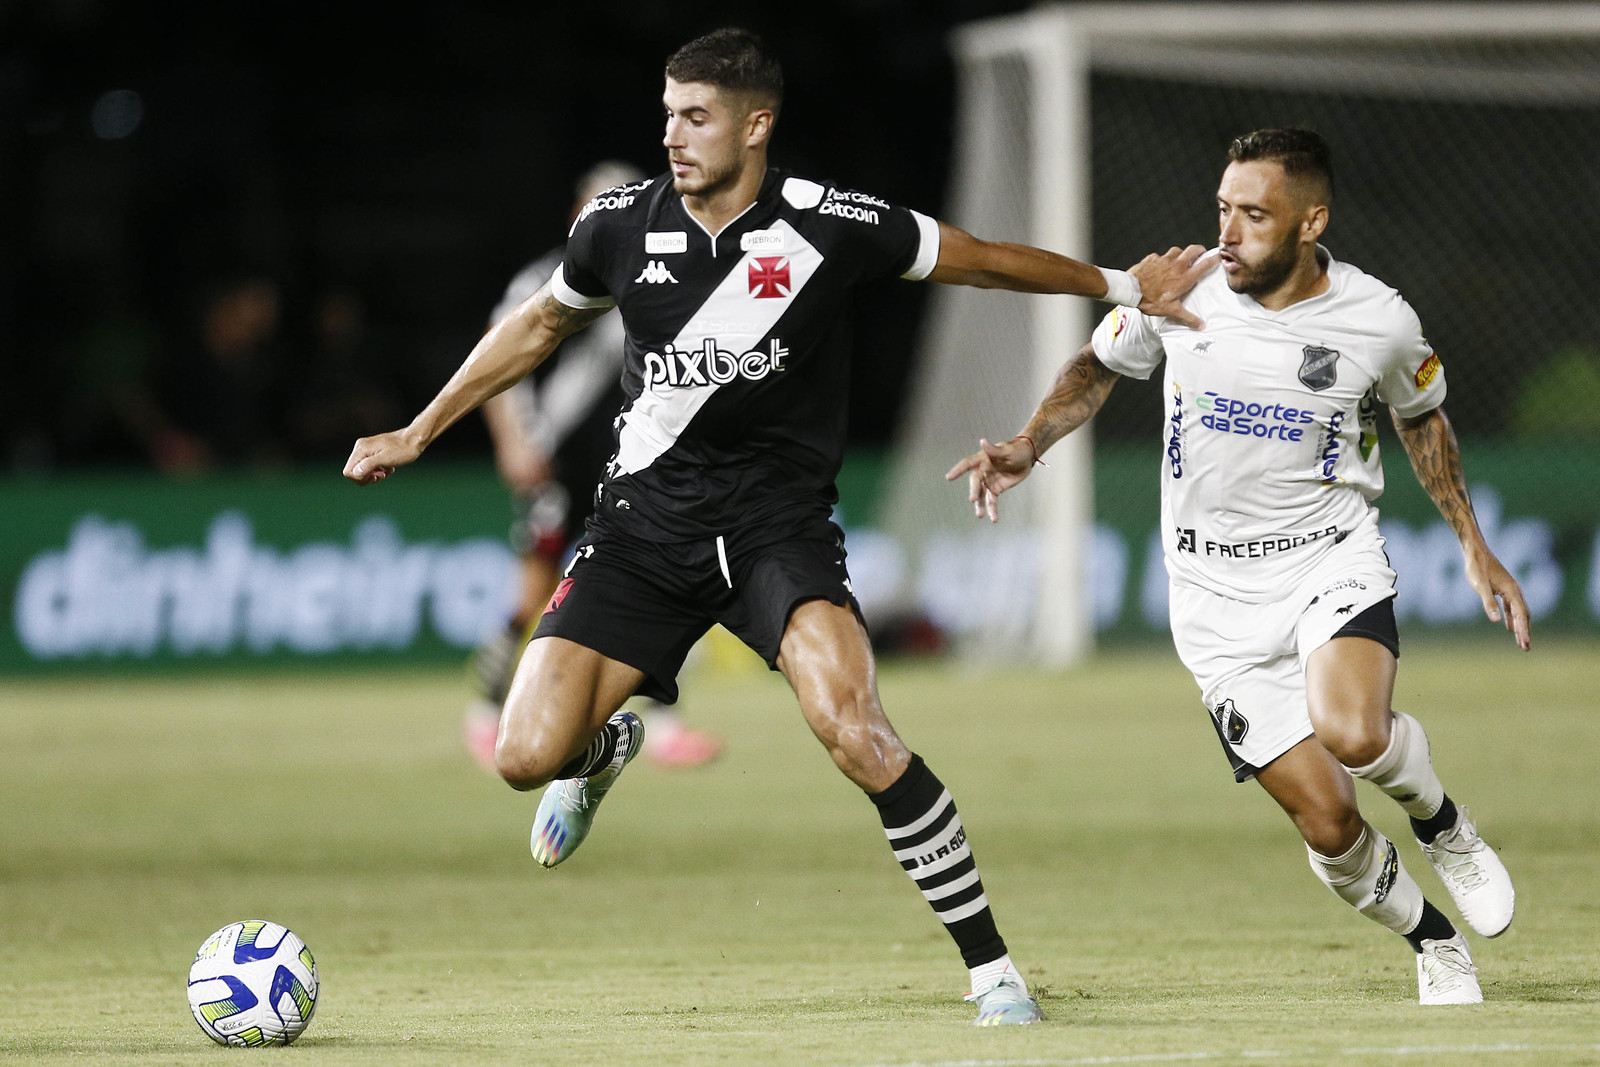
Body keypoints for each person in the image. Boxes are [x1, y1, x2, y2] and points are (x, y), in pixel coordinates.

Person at [345, 27, 1209, 1026]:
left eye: (696, 116)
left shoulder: (830, 223)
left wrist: (1116, 284)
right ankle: (602, 749)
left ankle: (992, 971)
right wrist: (420, 427)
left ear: (757, 125)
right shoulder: (619, 226)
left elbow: (977, 260)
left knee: (857, 730)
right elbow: (538, 323)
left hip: (774, 534)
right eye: (667, 113)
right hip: (639, 531)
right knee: (521, 754)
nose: (674, 135)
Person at [949, 128, 1528, 1006]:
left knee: (1355, 732)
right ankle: (1432, 937)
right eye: (1223, 209)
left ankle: (1444, 824)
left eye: (1255, 215)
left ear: (1310, 221)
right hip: (1212, 600)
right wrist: (1030, 441)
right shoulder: (1185, 292)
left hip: (1326, 559)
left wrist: (1473, 545)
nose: (1230, 232)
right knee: (1330, 824)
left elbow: (1423, 418)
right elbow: (1097, 366)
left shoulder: (1379, 318)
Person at [465, 160, 724, 773]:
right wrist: (512, 441)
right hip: (558, 460)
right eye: (601, 201)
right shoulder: (546, 277)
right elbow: (498, 351)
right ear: (577, 211)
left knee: (662, 589)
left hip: (635, 464)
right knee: (532, 595)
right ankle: (483, 712)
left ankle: (662, 728)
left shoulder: (660, 275)